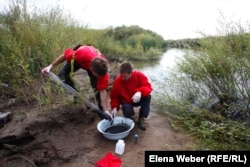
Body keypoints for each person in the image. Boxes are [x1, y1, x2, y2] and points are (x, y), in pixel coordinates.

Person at [41, 44, 113, 120]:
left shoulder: (103, 69)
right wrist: (50, 67)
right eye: (97, 76)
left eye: (100, 76)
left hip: (92, 60)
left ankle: (102, 112)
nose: (99, 78)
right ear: (91, 69)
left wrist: (106, 110)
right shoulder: (80, 55)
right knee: (62, 74)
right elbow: (64, 56)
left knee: (97, 86)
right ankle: (77, 96)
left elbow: (102, 90)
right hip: (81, 59)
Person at [110, 62, 153, 130]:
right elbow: (114, 96)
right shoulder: (118, 81)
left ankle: (141, 118)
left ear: (131, 73)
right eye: (122, 76)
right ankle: (130, 117)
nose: (123, 78)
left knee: (148, 97)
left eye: (125, 76)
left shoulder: (139, 75)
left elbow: (148, 87)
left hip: (138, 98)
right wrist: (114, 106)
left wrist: (140, 91)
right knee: (127, 112)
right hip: (126, 101)